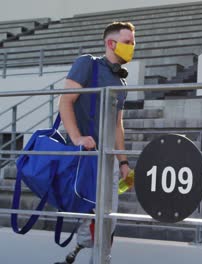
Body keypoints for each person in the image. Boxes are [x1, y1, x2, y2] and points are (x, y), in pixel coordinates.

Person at [56, 21, 135, 264]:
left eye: (134, 42)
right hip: (86, 158)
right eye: (128, 42)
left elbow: (116, 125)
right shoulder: (87, 64)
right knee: (95, 218)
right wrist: (78, 138)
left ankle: (84, 255)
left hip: (108, 160)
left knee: (108, 220)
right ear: (111, 44)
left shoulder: (121, 83)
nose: (133, 47)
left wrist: (123, 161)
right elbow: (65, 102)